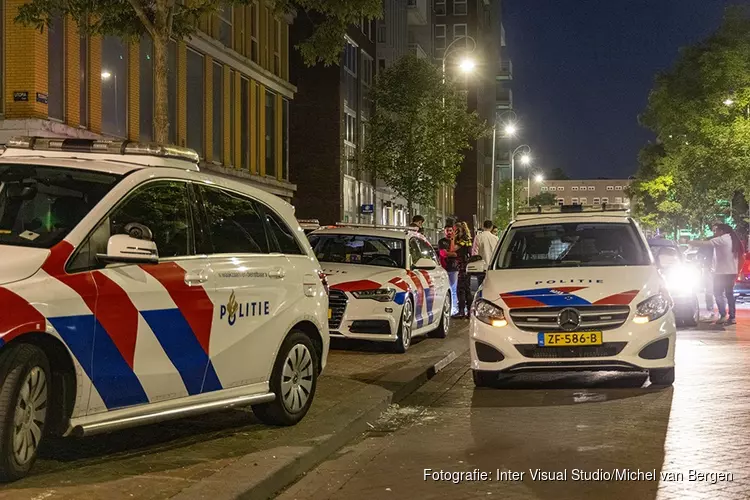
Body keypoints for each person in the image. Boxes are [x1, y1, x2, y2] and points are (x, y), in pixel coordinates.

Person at [690, 224, 745, 325]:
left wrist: (688, 242)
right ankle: (732, 317)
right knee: (729, 294)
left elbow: (703, 244)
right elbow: (742, 257)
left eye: (716, 231)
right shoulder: (733, 239)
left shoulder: (722, 239)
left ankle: (723, 315)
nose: (714, 233)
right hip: (732, 272)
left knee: (718, 293)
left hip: (721, 272)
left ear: (722, 231)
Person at [438, 219, 459, 315]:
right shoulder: (441, 242)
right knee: (444, 289)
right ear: (444, 231)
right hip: (444, 268)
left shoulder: (456, 241)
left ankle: (453, 309)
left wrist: (450, 253)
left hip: (454, 268)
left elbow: (456, 253)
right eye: (447, 230)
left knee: (453, 289)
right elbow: (443, 254)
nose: (449, 232)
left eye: (451, 230)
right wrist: (452, 254)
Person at [454, 221, 474, 318]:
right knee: (467, 288)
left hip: (463, 265)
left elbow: (454, 248)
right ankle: (469, 311)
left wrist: (453, 238)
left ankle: (462, 311)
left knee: (461, 288)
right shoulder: (468, 238)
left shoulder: (463, 239)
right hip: (466, 265)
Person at [472, 220, 499, 286]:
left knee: (481, 287)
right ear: (491, 227)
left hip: (482, 268)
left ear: (483, 226)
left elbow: (474, 253)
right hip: (492, 268)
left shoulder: (478, 237)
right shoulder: (496, 238)